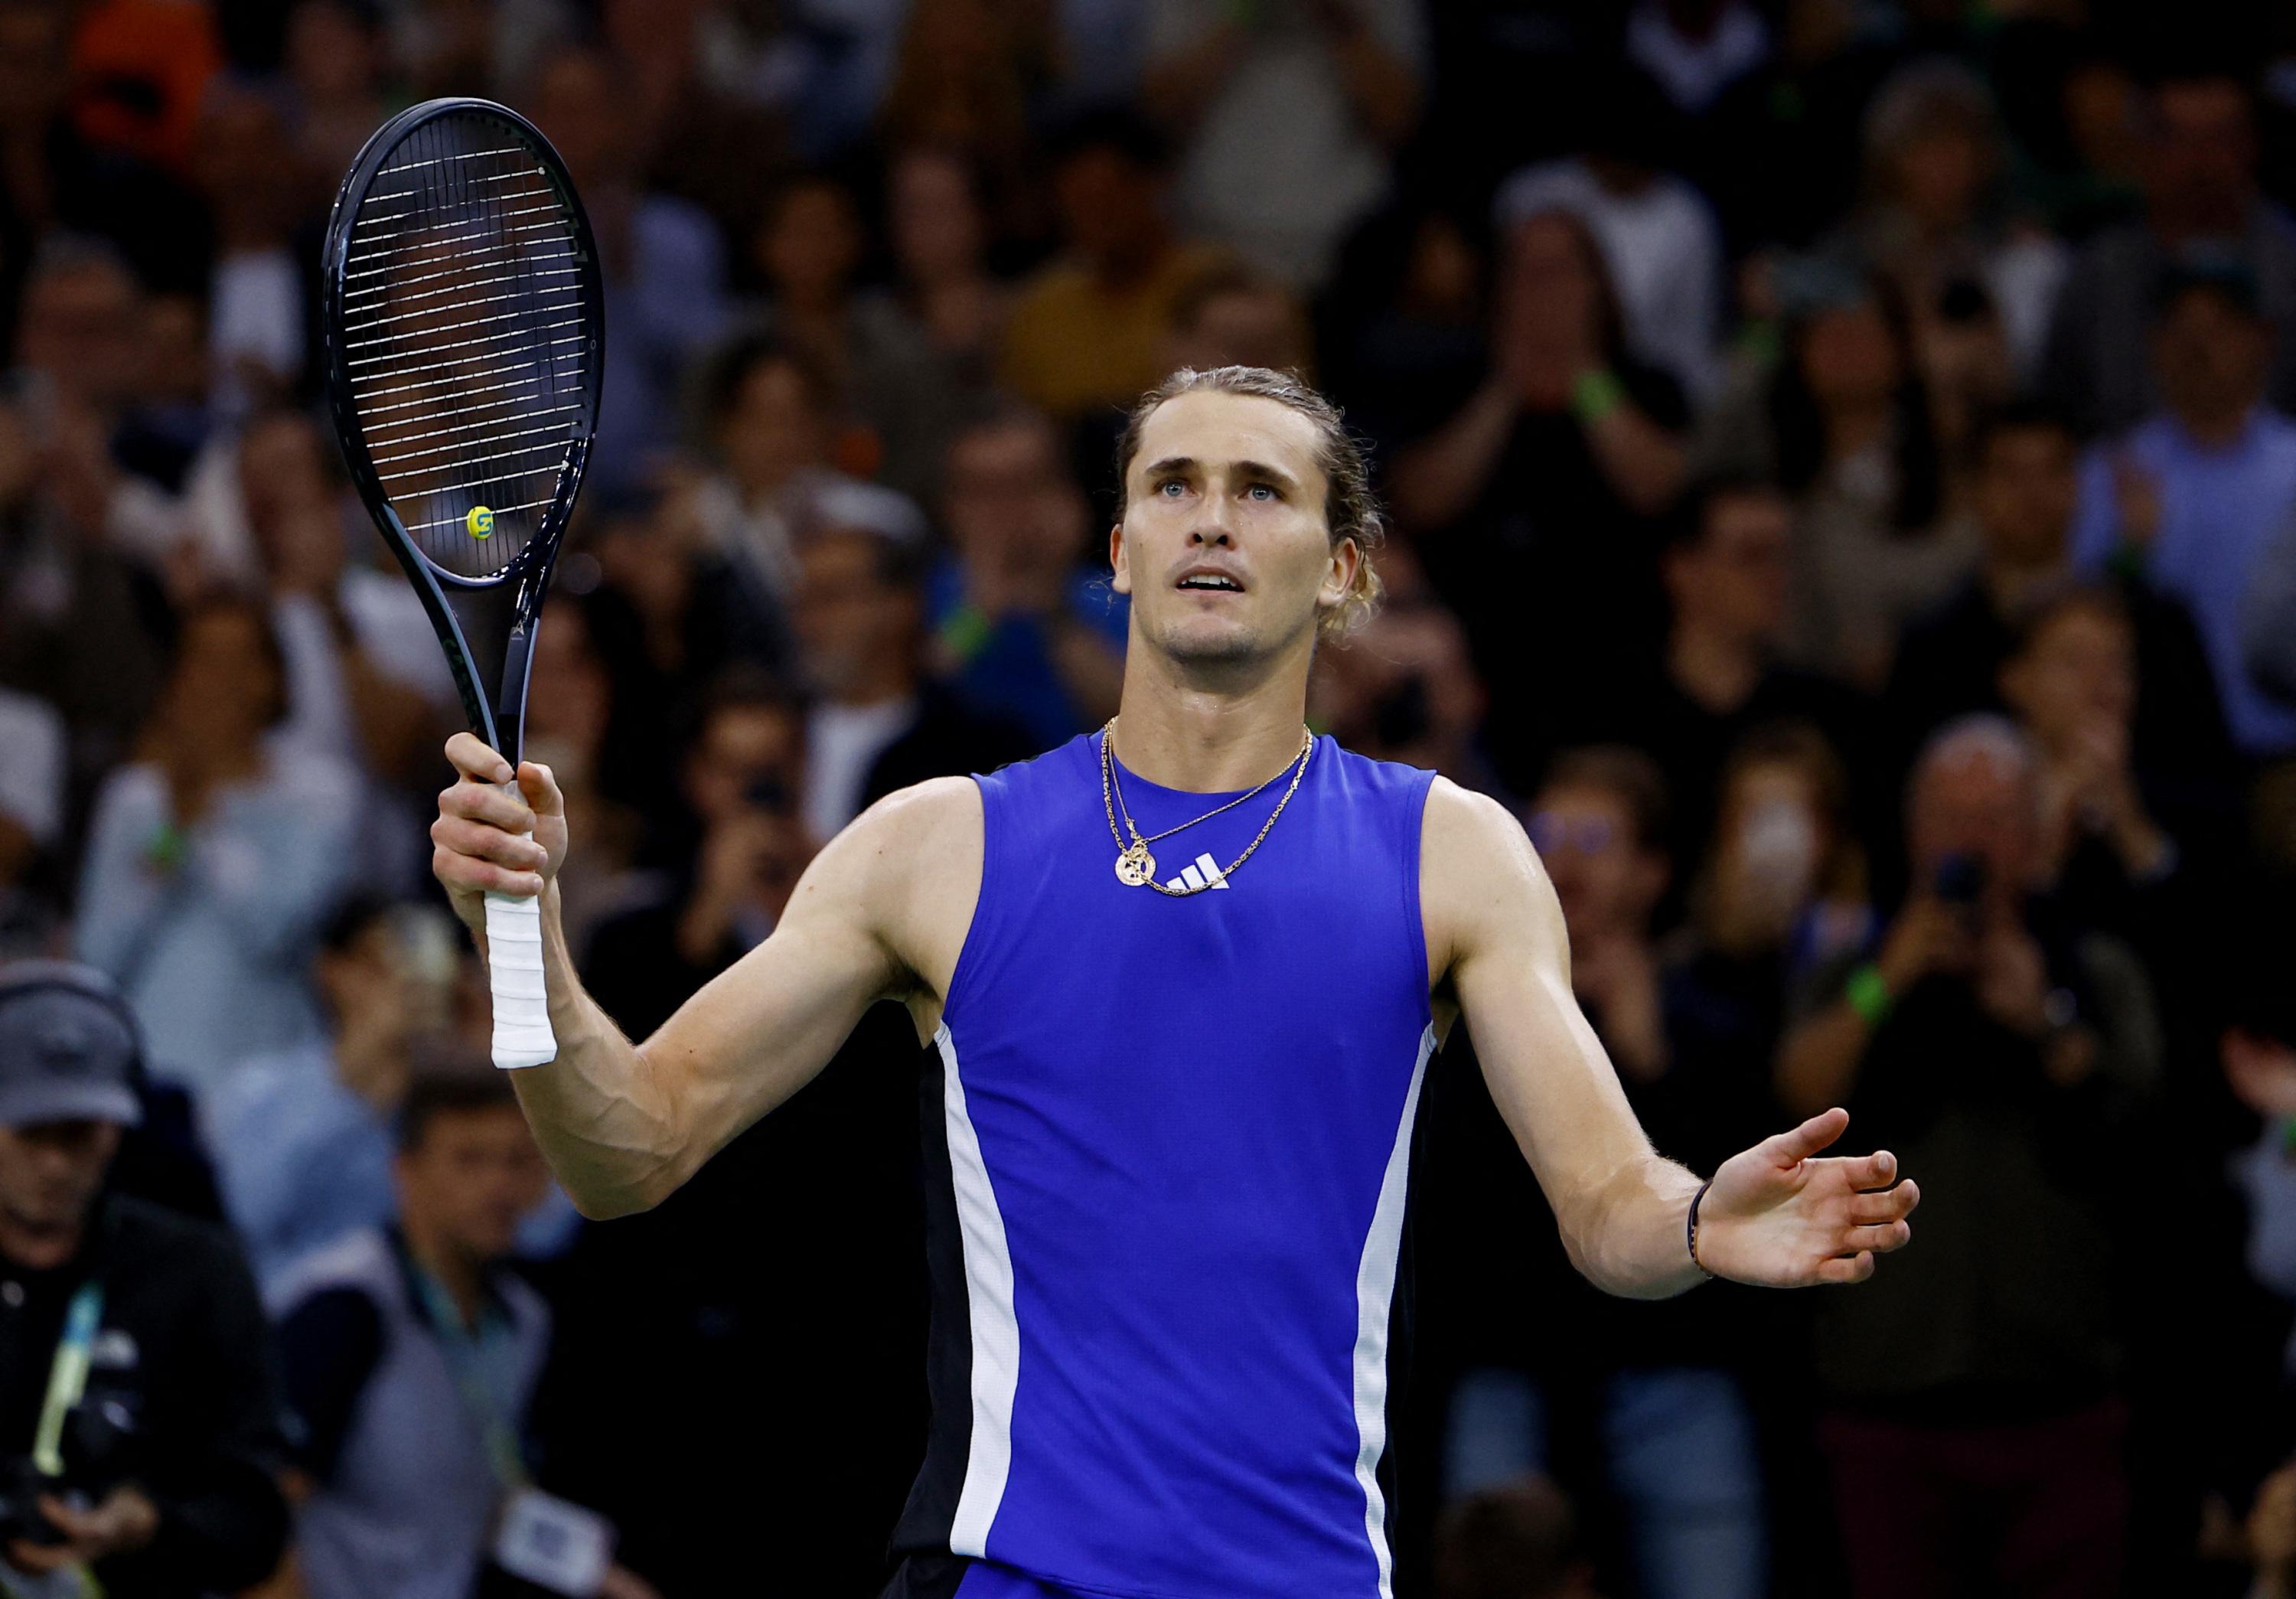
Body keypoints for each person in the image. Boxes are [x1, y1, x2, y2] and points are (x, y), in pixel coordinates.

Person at [429, 364, 1918, 1599]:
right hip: (1000, 1574)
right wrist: (519, 935)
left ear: (1344, 574)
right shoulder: (934, 849)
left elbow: (1608, 1211)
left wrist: (1701, 1220)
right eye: (1173, 486)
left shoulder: (1451, 856)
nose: (1212, 518)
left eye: (1262, 489)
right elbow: (627, 1149)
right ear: (1120, 555)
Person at [1776, 717, 2159, 1599]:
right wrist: (1891, 979)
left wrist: (2043, 1019)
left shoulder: (2095, 973)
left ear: (2036, 839)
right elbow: (1795, 1094)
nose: (1970, 842)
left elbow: (2142, 1133)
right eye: (1951, 816)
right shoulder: (1855, 968)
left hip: (2062, 1407)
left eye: (1996, 818)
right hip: (1888, 1410)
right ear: (1914, 833)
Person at [269, 1070, 656, 1599]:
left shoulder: (524, 1320)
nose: (499, 1185)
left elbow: (484, 1499)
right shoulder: (344, 1304)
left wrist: (603, 1580)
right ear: (406, 1170)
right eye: (469, 1159)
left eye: (519, 1160)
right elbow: (262, 1513)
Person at [0, 961, 288, 1598]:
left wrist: (148, 1523)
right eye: (30, 1131)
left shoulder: (196, 1272)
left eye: (79, 1133)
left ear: (120, 1125)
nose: (54, 1162)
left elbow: (259, 1522)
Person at [73, 594, 360, 1098]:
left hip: (270, 1071)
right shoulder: (137, 798)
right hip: (154, 1068)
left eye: (237, 663)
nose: (217, 683)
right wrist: (172, 828)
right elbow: (100, 952)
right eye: (201, 661)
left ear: (272, 678)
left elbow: (276, 927)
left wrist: (204, 822)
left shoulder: (319, 793)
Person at [2070, 261, 2296, 761]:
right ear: (2153, 344)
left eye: (2220, 328)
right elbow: (2077, 626)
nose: (2199, 347)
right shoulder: (2112, 471)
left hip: (2285, 748)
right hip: (2152, 754)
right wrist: (2131, 550)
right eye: (2180, 328)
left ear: (2263, 339)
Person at [2041, 66, 2296, 437]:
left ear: (2249, 147)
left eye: (2218, 139)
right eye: (2180, 140)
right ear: (2146, 150)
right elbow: (2057, 417)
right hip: (2122, 484)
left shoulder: (2290, 268)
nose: (2201, 161)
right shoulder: (2099, 274)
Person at [792, 504, 1032, 844]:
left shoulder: (978, 752)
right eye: (800, 602)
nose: (807, 622)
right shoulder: (766, 735)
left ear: (900, 607)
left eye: (831, 598)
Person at [928, 405, 1127, 748]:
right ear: (952, 506)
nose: (1007, 510)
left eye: (1026, 485)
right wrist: (981, 611)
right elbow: (915, 702)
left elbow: (1134, 720)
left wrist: (1051, 609)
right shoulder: (923, 592)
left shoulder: (1112, 596)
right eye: (986, 491)